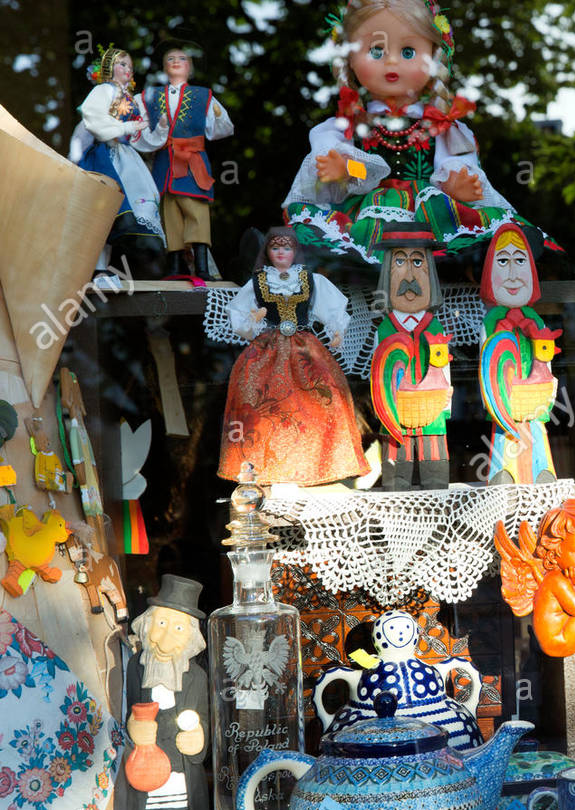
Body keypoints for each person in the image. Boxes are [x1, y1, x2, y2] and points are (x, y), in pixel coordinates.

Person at [283, 0, 538, 264]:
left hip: (428, 209)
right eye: (376, 50)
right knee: (335, 241)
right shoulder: (345, 128)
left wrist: (455, 183)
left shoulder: (441, 127)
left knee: (463, 239)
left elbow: (454, 163)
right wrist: (347, 170)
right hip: (366, 211)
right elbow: (366, 174)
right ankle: (349, 269)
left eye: (408, 52)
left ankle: (465, 264)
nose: (392, 60)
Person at [219, 228, 367, 485]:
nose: (281, 253)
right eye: (275, 248)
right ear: (267, 252)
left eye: (286, 248)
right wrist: (253, 322)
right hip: (269, 348)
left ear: (295, 251)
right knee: (266, 406)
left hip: (304, 348)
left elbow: (333, 310)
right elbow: (239, 314)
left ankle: (314, 464)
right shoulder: (258, 282)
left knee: (315, 402)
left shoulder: (311, 280)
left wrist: (336, 331)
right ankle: (268, 467)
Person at [116, 575, 209, 810]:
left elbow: (205, 717)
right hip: (145, 774)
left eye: (178, 628)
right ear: (147, 623)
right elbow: (127, 708)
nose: (166, 638)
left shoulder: (197, 676)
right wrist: (135, 728)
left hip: (182, 777)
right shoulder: (135, 668)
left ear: (191, 635)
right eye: (162, 624)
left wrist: (199, 738)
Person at [138, 36, 234, 280]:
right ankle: (174, 267)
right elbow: (137, 129)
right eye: (170, 58)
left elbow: (223, 129)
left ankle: (201, 267)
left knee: (197, 212)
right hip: (165, 163)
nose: (176, 61)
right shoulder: (150, 96)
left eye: (182, 58)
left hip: (193, 162)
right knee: (169, 213)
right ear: (164, 67)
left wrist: (217, 114)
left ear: (190, 66)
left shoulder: (204, 96)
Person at [68, 46, 165, 280]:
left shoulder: (130, 99)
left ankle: (107, 270)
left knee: (121, 215)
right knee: (104, 213)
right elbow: (92, 121)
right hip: (104, 157)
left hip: (125, 158)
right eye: (122, 64)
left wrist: (159, 127)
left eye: (130, 66)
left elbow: (140, 137)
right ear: (109, 68)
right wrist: (125, 127)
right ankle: (97, 270)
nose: (127, 69)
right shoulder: (103, 91)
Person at [370, 221, 454, 489]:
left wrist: (446, 405)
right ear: (386, 273)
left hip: (433, 412)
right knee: (397, 477)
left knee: (435, 475)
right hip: (395, 414)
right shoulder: (384, 329)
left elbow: (444, 369)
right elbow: (377, 374)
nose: (409, 275)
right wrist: (382, 408)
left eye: (418, 263)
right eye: (399, 262)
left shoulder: (435, 326)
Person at [479, 222, 561, 484]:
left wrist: (548, 392)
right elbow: (486, 362)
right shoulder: (491, 320)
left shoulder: (535, 318)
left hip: (533, 396)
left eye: (520, 261)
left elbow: (546, 357)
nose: (514, 274)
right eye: (503, 261)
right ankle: (503, 472)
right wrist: (491, 398)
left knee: (536, 429)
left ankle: (541, 469)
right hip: (506, 397)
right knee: (505, 432)